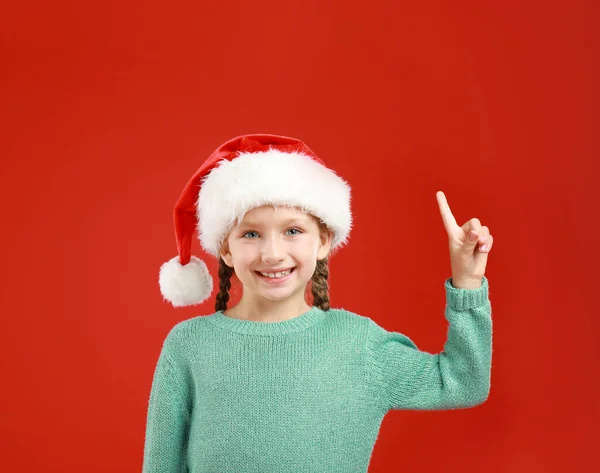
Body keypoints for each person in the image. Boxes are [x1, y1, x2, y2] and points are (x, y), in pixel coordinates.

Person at [142, 133, 494, 473]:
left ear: (323, 241)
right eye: (251, 234)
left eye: (292, 231)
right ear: (226, 248)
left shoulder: (359, 344)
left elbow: (463, 382)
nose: (273, 253)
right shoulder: (188, 346)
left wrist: (468, 283)